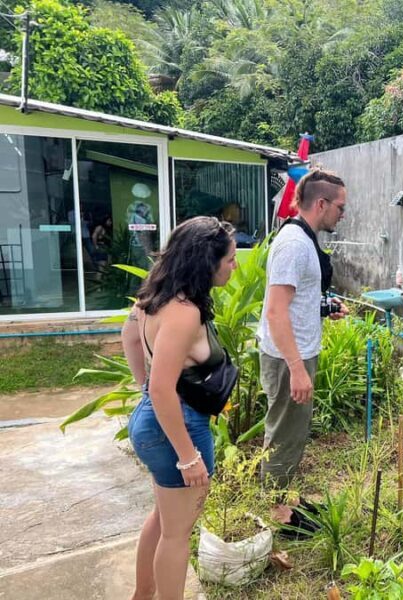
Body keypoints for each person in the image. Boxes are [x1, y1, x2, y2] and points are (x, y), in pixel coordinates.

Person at [121, 216, 238, 600]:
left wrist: (143, 387)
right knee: (176, 534)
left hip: (155, 423)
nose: (234, 266)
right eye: (230, 259)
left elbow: (131, 338)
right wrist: (188, 457)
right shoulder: (184, 311)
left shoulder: (154, 296)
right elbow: (161, 388)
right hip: (177, 427)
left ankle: (143, 594)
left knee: (162, 518)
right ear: (208, 262)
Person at [257, 169, 349, 493]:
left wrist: (326, 308)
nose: (343, 214)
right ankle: (274, 507)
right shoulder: (294, 244)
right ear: (321, 204)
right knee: (284, 433)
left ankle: (279, 497)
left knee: (292, 431)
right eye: (340, 207)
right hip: (288, 359)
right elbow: (275, 310)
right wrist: (296, 368)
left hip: (295, 353)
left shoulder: (304, 238)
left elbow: (295, 300)